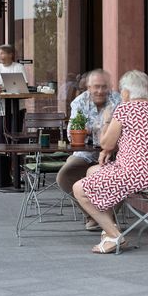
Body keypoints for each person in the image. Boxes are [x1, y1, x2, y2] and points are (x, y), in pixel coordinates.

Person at [73, 70, 148, 253]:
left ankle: (115, 236)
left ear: (126, 92)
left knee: (79, 188)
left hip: (136, 173)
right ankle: (109, 231)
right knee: (94, 171)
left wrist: (107, 120)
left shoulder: (125, 109)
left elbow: (105, 142)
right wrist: (108, 151)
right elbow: (134, 138)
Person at [56, 69, 121, 230]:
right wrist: (101, 127)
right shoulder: (79, 102)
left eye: (104, 87)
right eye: (96, 87)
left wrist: (92, 128)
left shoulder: (118, 100)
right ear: (88, 87)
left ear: (110, 86)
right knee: (64, 176)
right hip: (85, 153)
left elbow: (124, 130)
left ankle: (107, 218)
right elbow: (73, 134)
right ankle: (92, 215)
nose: (100, 91)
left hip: (113, 153)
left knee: (121, 175)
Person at [0, 44, 27, 144]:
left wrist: (6, 87)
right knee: (0, 138)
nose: (0, 56)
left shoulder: (18, 67)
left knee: (15, 137)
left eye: (2, 53)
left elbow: (24, 85)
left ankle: (15, 159)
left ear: (11, 54)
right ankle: (2, 158)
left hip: (17, 108)